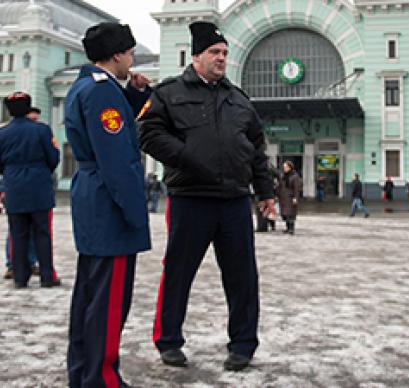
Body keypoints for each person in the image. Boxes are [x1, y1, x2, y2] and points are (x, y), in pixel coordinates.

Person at [138, 21, 274, 372]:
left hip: (233, 201)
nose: (222, 58)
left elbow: (257, 150)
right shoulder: (169, 93)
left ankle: (243, 345)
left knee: (243, 277)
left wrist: (265, 192)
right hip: (190, 198)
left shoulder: (239, 100)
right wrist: (185, 157)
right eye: (215, 52)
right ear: (196, 56)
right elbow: (148, 133)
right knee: (179, 273)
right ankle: (169, 341)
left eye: (225, 53)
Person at [64, 22, 152, 387]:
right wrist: (135, 212)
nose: (132, 61)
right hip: (109, 203)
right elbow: (117, 158)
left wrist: (130, 97)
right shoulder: (103, 93)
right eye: (130, 53)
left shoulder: (86, 86)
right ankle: (100, 379)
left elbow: (108, 129)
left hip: (91, 195)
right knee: (109, 300)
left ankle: (83, 372)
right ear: (117, 54)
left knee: (89, 293)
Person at [0, 92, 60, 289]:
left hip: (15, 188)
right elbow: (53, 157)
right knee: (43, 233)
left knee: (18, 233)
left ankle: (20, 277)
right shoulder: (42, 130)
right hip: (39, 186)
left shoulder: (1, 133)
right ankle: (47, 276)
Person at [279, 160, 302, 234]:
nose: (284, 168)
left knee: (291, 214)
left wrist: (295, 197)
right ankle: (287, 228)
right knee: (285, 214)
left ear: (290, 167)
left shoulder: (295, 176)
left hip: (290, 198)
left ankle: (291, 229)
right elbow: (280, 186)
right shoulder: (283, 176)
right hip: (283, 198)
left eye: (286, 167)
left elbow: (296, 188)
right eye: (284, 167)